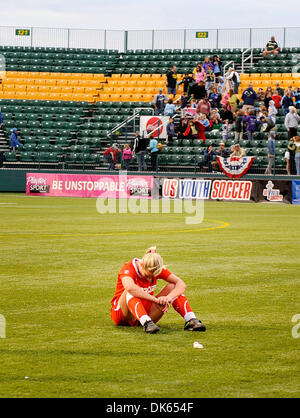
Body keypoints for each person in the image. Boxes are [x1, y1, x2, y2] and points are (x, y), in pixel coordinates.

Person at [110, 246, 206, 334]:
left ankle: (192, 320)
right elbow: (130, 287)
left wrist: (168, 298)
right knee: (131, 290)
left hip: (145, 312)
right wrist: (155, 300)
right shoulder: (128, 268)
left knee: (173, 288)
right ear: (142, 265)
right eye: (147, 276)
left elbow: (181, 284)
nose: (149, 279)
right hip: (124, 315)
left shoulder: (156, 268)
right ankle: (146, 323)